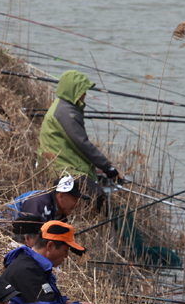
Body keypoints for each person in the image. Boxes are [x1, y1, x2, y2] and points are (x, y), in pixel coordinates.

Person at [1, 220, 110, 304]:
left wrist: (64, 302)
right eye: (65, 250)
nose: (66, 256)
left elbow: (42, 299)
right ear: (50, 246)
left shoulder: (33, 265)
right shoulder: (26, 270)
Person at [38, 70, 122, 210]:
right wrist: (108, 167)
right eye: (82, 91)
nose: (84, 94)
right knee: (98, 197)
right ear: (73, 91)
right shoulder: (66, 112)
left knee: (98, 193)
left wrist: (95, 169)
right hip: (64, 169)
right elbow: (82, 144)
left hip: (66, 165)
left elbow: (72, 148)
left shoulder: (62, 106)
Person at [11, 174, 83, 245]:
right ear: (61, 196)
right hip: (5, 236)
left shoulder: (58, 213)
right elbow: (30, 238)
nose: (77, 205)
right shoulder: (39, 202)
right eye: (75, 200)